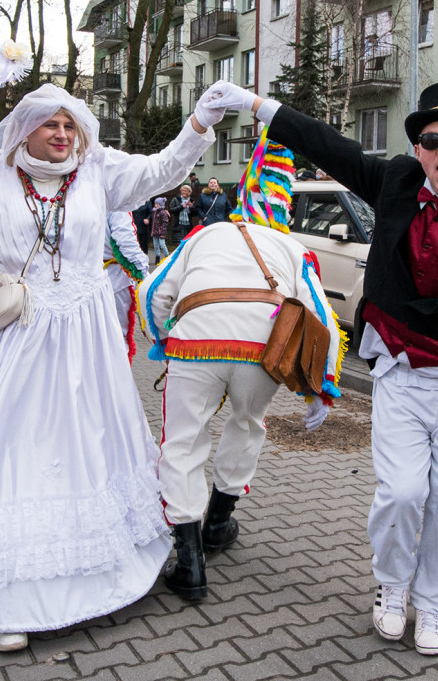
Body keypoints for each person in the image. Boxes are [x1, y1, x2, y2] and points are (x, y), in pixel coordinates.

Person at [197, 80, 438, 655]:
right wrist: (256, 105)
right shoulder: (397, 183)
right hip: (399, 374)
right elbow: (327, 145)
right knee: (401, 494)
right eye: (432, 140)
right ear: (419, 150)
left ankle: (434, 606)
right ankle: (393, 587)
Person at [0, 80, 236, 652]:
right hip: (18, 337)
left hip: (87, 339)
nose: (61, 134)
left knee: (90, 442)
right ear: (24, 129)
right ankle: (5, 599)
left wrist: (199, 124)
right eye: (50, 124)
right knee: (13, 449)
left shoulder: (99, 170)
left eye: (69, 124)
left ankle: (103, 571)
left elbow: (163, 170)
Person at [140, 141, 344, 600]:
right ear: (283, 207)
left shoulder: (205, 235)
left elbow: (152, 291)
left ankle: (189, 561)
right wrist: (322, 387)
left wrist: (163, 339)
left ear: (242, 197)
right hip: (262, 348)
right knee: (248, 424)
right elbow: (322, 318)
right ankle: (218, 524)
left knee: (183, 440)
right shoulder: (292, 247)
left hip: (195, 342)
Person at [104, 211, 151, 356]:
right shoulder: (117, 206)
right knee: (116, 338)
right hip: (113, 281)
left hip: (73, 279)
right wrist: (146, 278)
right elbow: (126, 244)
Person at [166, 184, 199, 249]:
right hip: (178, 224)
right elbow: (171, 210)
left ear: (189, 192)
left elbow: (195, 214)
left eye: (185, 191)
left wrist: (192, 207)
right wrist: (181, 207)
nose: (183, 192)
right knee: (178, 244)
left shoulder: (191, 201)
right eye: (182, 190)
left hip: (188, 225)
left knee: (187, 243)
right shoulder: (176, 199)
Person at [149, 197, 170, 265]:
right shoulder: (154, 212)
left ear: (160, 204)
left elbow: (164, 223)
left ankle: (167, 256)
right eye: (155, 204)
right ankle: (157, 257)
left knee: (162, 245)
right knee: (156, 246)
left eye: (157, 204)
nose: (155, 205)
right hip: (155, 232)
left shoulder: (163, 213)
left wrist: (162, 232)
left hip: (161, 232)